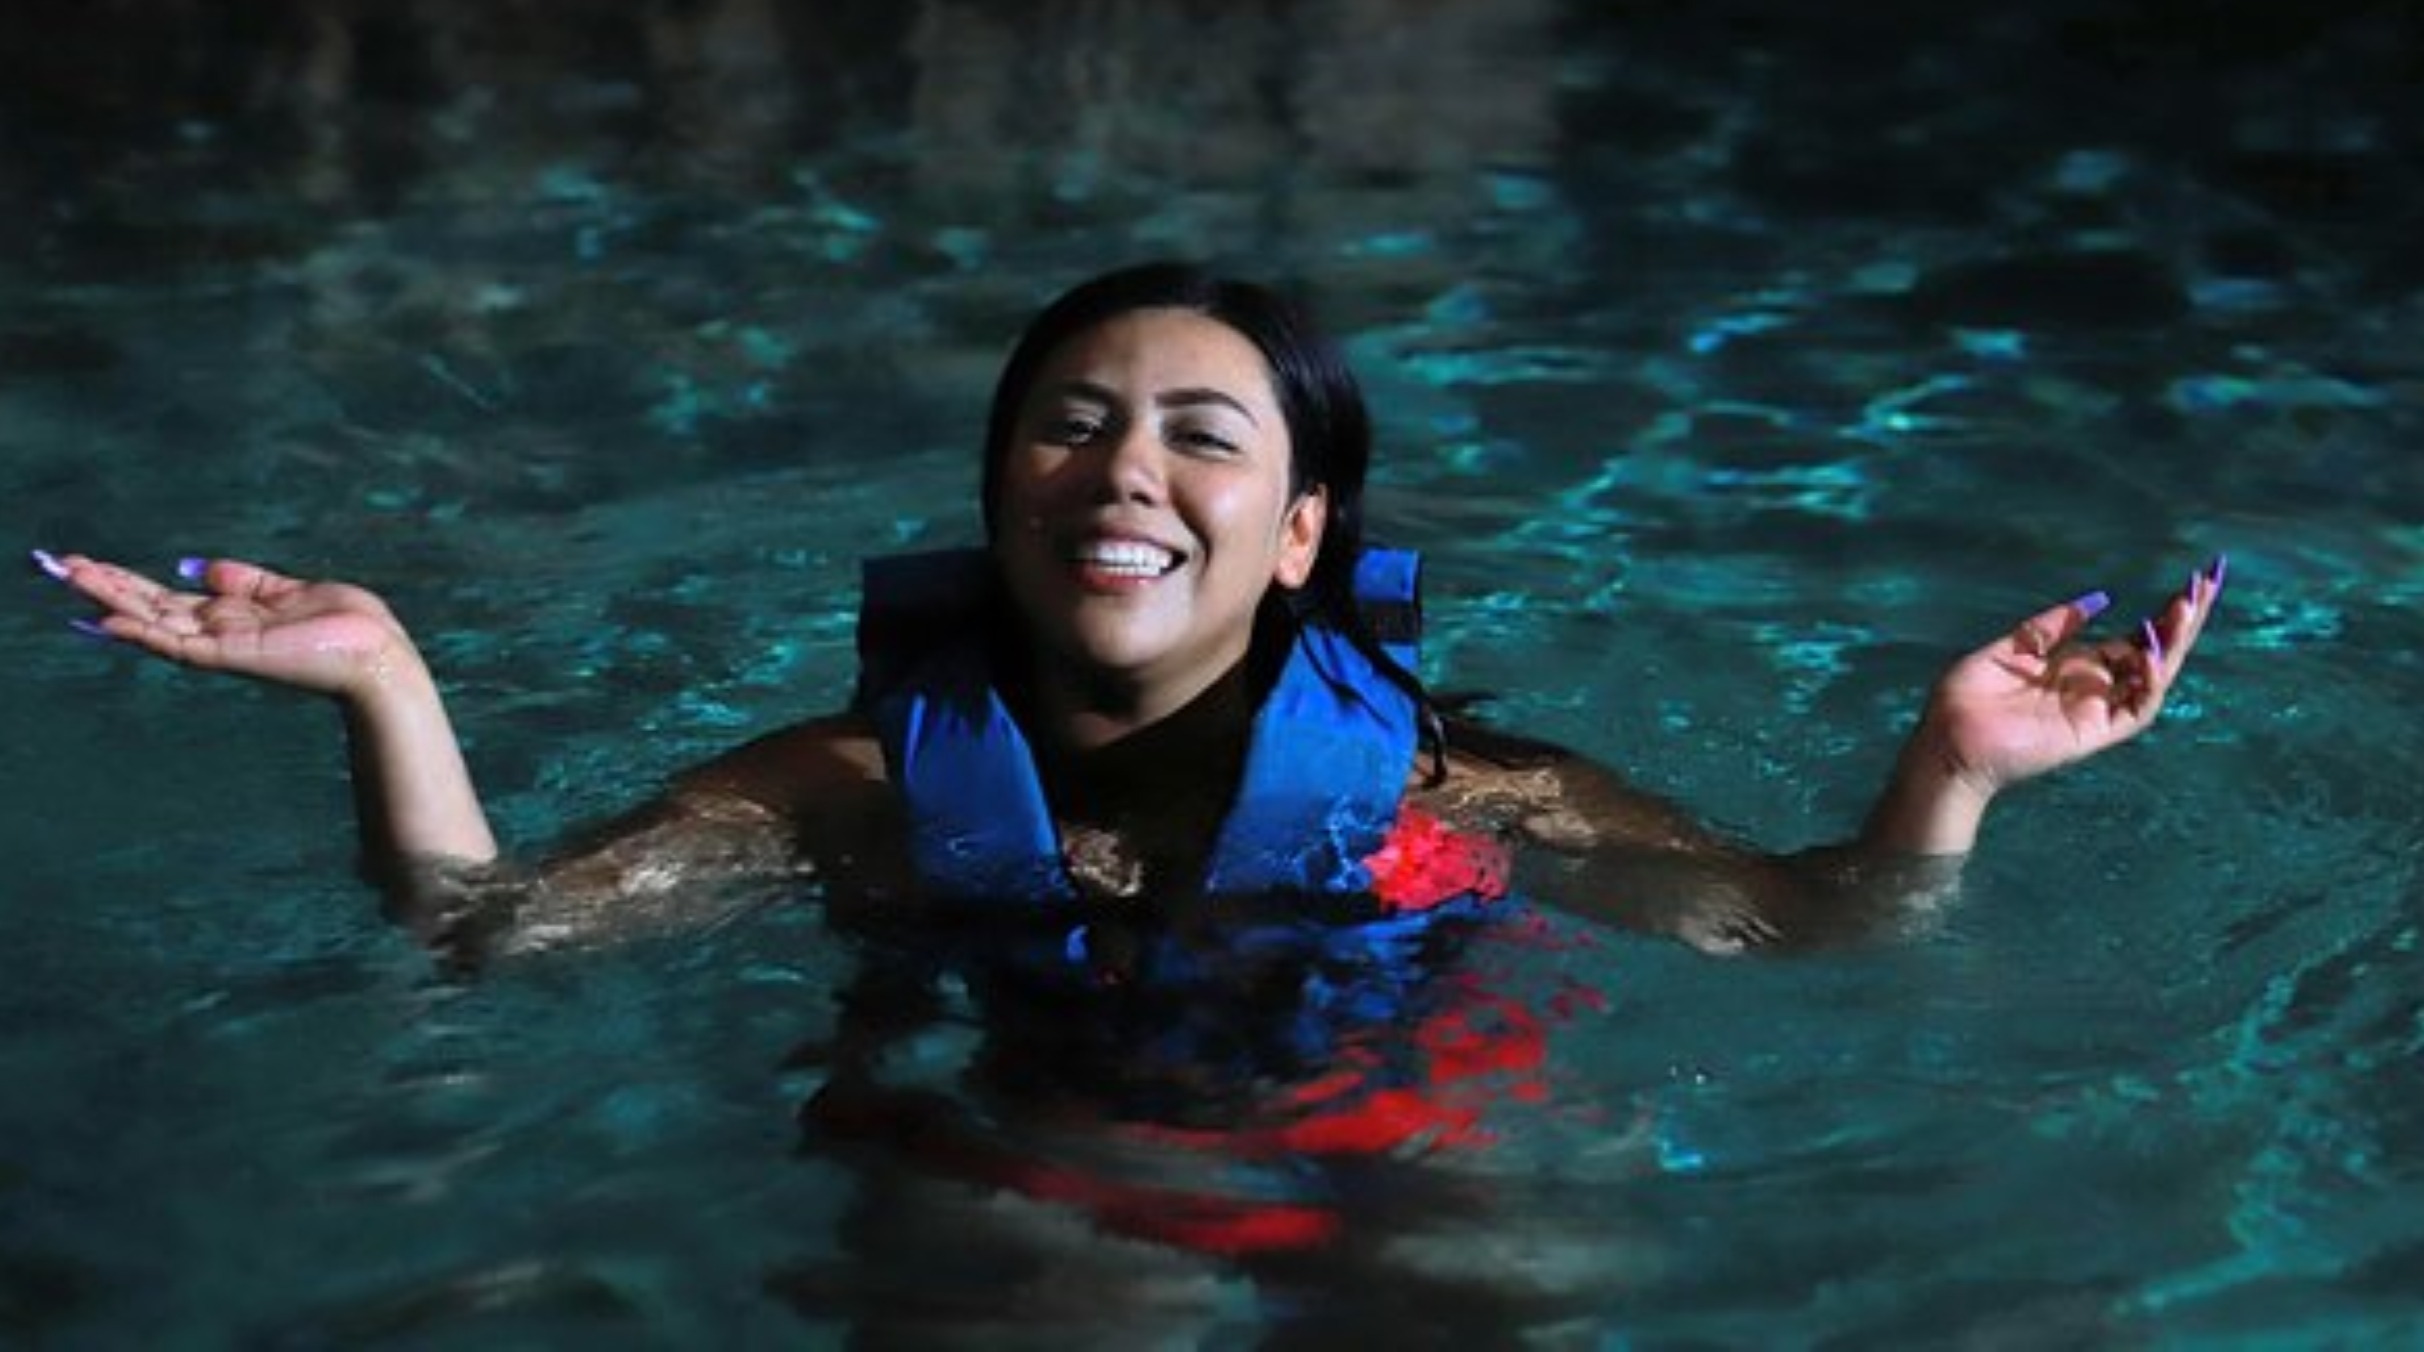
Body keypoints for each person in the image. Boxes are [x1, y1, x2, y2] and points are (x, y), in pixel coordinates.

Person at [30, 260, 2224, 956]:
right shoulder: (852, 785)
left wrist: (1953, 770)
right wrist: (386, 682)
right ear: (1000, 498)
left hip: (1377, 1134)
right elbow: (493, 937)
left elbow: (1812, 929)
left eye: (1200, 437)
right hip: (1012, 1146)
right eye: (1069, 427)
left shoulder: (1454, 785)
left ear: (1301, 532)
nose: (1123, 474)